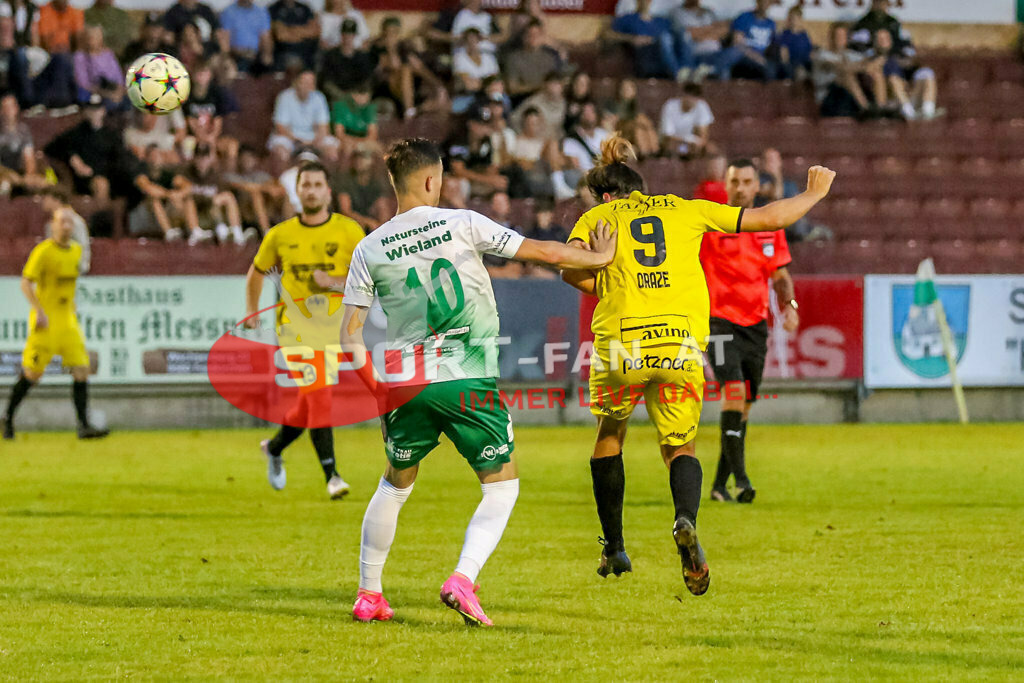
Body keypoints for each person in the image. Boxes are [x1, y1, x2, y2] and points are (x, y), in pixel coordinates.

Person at [338, 137, 617, 625]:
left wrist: (381, 394)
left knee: (395, 484)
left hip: (405, 385)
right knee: (500, 486)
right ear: (431, 180)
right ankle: (462, 578)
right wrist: (597, 259)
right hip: (466, 376)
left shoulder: (369, 248)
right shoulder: (462, 223)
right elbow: (540, 252)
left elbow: (350, 336)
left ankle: (369, 594)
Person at [560, 134, 834, 591]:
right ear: (641, 189)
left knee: (610, 435)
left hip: (622, 344)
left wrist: (605, 284)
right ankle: (684, 520)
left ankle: (614, 545)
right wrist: (813, 193)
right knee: (680, 447)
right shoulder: (686, 208)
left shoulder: (596, 216)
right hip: (679, 343)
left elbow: (570, 267)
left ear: (607, 195)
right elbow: (767, 217)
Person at [244, 160, 365, 500]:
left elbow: (367, 279)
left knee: (309, 404)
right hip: (294, 330)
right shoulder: (280, 235)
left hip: (334, 329)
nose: (310, 190)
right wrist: (252, 311)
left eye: (316, 184)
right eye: (305, 185)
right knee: (320, 396)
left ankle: (276, 446)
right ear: (296, 192)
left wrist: (334, 282)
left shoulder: (349, 231)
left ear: (328, 191)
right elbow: (256, 272)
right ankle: (333, 476)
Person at [700, 159, 801, 504]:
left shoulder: (770, 227)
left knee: (744, 406)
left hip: (755, 325)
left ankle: (718, 486)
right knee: (733, 391)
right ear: (726, 186)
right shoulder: (711, 225)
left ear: (758, 186)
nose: (740, 188)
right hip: (717, 322)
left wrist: (790, 306)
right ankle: (742, 480)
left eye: (746, 181)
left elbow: (780, 276)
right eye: (734, 181)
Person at [2, 206, 109, 441]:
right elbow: (25, 283)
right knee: (33, 374)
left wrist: (71, 306)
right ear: (53, 225)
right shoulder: (43, 252)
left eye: (70, 222)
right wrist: (38, 311)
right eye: (62, 222)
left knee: (82, 369)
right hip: (45, 321)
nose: (67, 226)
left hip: (67, 321)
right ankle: (8, 418)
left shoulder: (76, 252)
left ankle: (84, 426)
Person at [811, 22, 885, 119]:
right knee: (846, 74)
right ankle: (866, 109)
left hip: (849, 97)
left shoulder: (851, 55)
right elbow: (840, 67)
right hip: (829, 97)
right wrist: (864, 67)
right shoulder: (822, 55)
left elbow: (868, 62)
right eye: (837, 36)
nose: (840, 39)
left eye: (843, 36)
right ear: (831, 37)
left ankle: (881, 109)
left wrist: (875, 61)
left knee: (876, 73)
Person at [606, 0, 691, 81]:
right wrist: (632, 38)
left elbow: (676, 39)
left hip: (663, 54)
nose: (646, 1)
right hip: (644, 54)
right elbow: (608, 34)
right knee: (665, 38)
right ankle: (678, 72)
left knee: (682, 34)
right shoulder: (628, 19)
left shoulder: (661, 21)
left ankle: (688, 69)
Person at [267, 69, 338, 162]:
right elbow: (280, 128)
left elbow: (323, 127)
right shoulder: (284, 97)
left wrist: (313, 142)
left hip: (313, 138)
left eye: (310, 83)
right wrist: (299, 141)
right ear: (296, 83)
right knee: (281, 151)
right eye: (304, 82)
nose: (307, 86)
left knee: (331, 151)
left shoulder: (319, 97)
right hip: (290, 138)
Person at [712, 0, 778, 81]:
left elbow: (773, 45)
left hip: (761, 59)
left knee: (771, 68)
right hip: (744, 55)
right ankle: (716, 78)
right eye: (763, 1)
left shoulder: (771, 23)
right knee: (734, 53)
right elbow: (737, 43)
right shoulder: (745, 17)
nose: (765, 4)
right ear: (757, 2)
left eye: (768, 2)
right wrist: (756, 57)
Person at [318, 17, 375, 104]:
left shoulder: (361, 57)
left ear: (354, 36)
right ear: (341, 35)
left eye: (350, 34)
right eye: (345, 34)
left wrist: (362, 95)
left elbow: (367, 80)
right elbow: (327, 83)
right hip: (336, 97)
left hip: (357, 97)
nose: (348, 37)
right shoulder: (331, 55)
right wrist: (345, 97)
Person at [503, 20, 561, 101]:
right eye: (530, 34)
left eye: (537, 35)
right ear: (524, 37)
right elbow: (512, 88)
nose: (533, 38)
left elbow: (555, 83)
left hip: (547, 100)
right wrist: (538, 88)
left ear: (542, 37)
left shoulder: (550, 58)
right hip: (523, 100)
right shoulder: (513, 58)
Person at [332, 145, 386, 232]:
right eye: (356, 158)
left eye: (363, 158)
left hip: (369, 227)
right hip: (346, 225)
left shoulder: (376, 183)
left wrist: (381, 226)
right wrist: (368, 222)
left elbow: (383, 210)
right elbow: (345, 211)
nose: (359, 161)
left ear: (372, 161)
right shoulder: (345, 180)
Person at [72, 25, 124, 109]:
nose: (90, 40)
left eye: (94, 37)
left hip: (112, 90)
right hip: (94, 93)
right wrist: (107, 94)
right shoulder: (80, 56)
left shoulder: (108, 54)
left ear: (101, 39)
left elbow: (119, 78)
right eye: (89, 37)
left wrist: (118, 92)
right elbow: (83, 83)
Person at [658, 80, 713, 158]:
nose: (692, 100)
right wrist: (688, 140)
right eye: (690, 96)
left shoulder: (702, 106)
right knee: (678, 149)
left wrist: (697, 144)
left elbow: (703, 134)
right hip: (673, 144)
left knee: (712, 150)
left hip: (692, 145)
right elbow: (668, 136)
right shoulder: (670, 106)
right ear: (683, 95)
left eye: (695, 96)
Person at [218, 0, 273, 74]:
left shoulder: (261, 12)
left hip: (256, 55)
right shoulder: (228, 12)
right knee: (242, 65)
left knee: (271, 66)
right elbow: (225, 41)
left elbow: (266, 38)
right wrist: (233, 55)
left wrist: (267, 54)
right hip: (237, 55)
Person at [269, 0, 318, 70]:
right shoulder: (273, 9)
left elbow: (314, 32)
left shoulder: (305, 8)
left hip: (305, 53)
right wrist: (303, 30)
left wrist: (289, 30)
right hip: (283, 52)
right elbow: (281, 35)